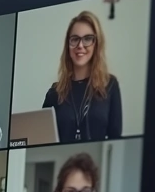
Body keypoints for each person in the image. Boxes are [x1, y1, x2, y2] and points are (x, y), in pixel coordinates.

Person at [42, 10, 123, 143]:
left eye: (87, 39)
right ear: (68, 45)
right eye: (74, 39)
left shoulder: (110, 85)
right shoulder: (54, 92)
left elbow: (116, 138)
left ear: (97, 44)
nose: (80, 45)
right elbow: (42, 139)